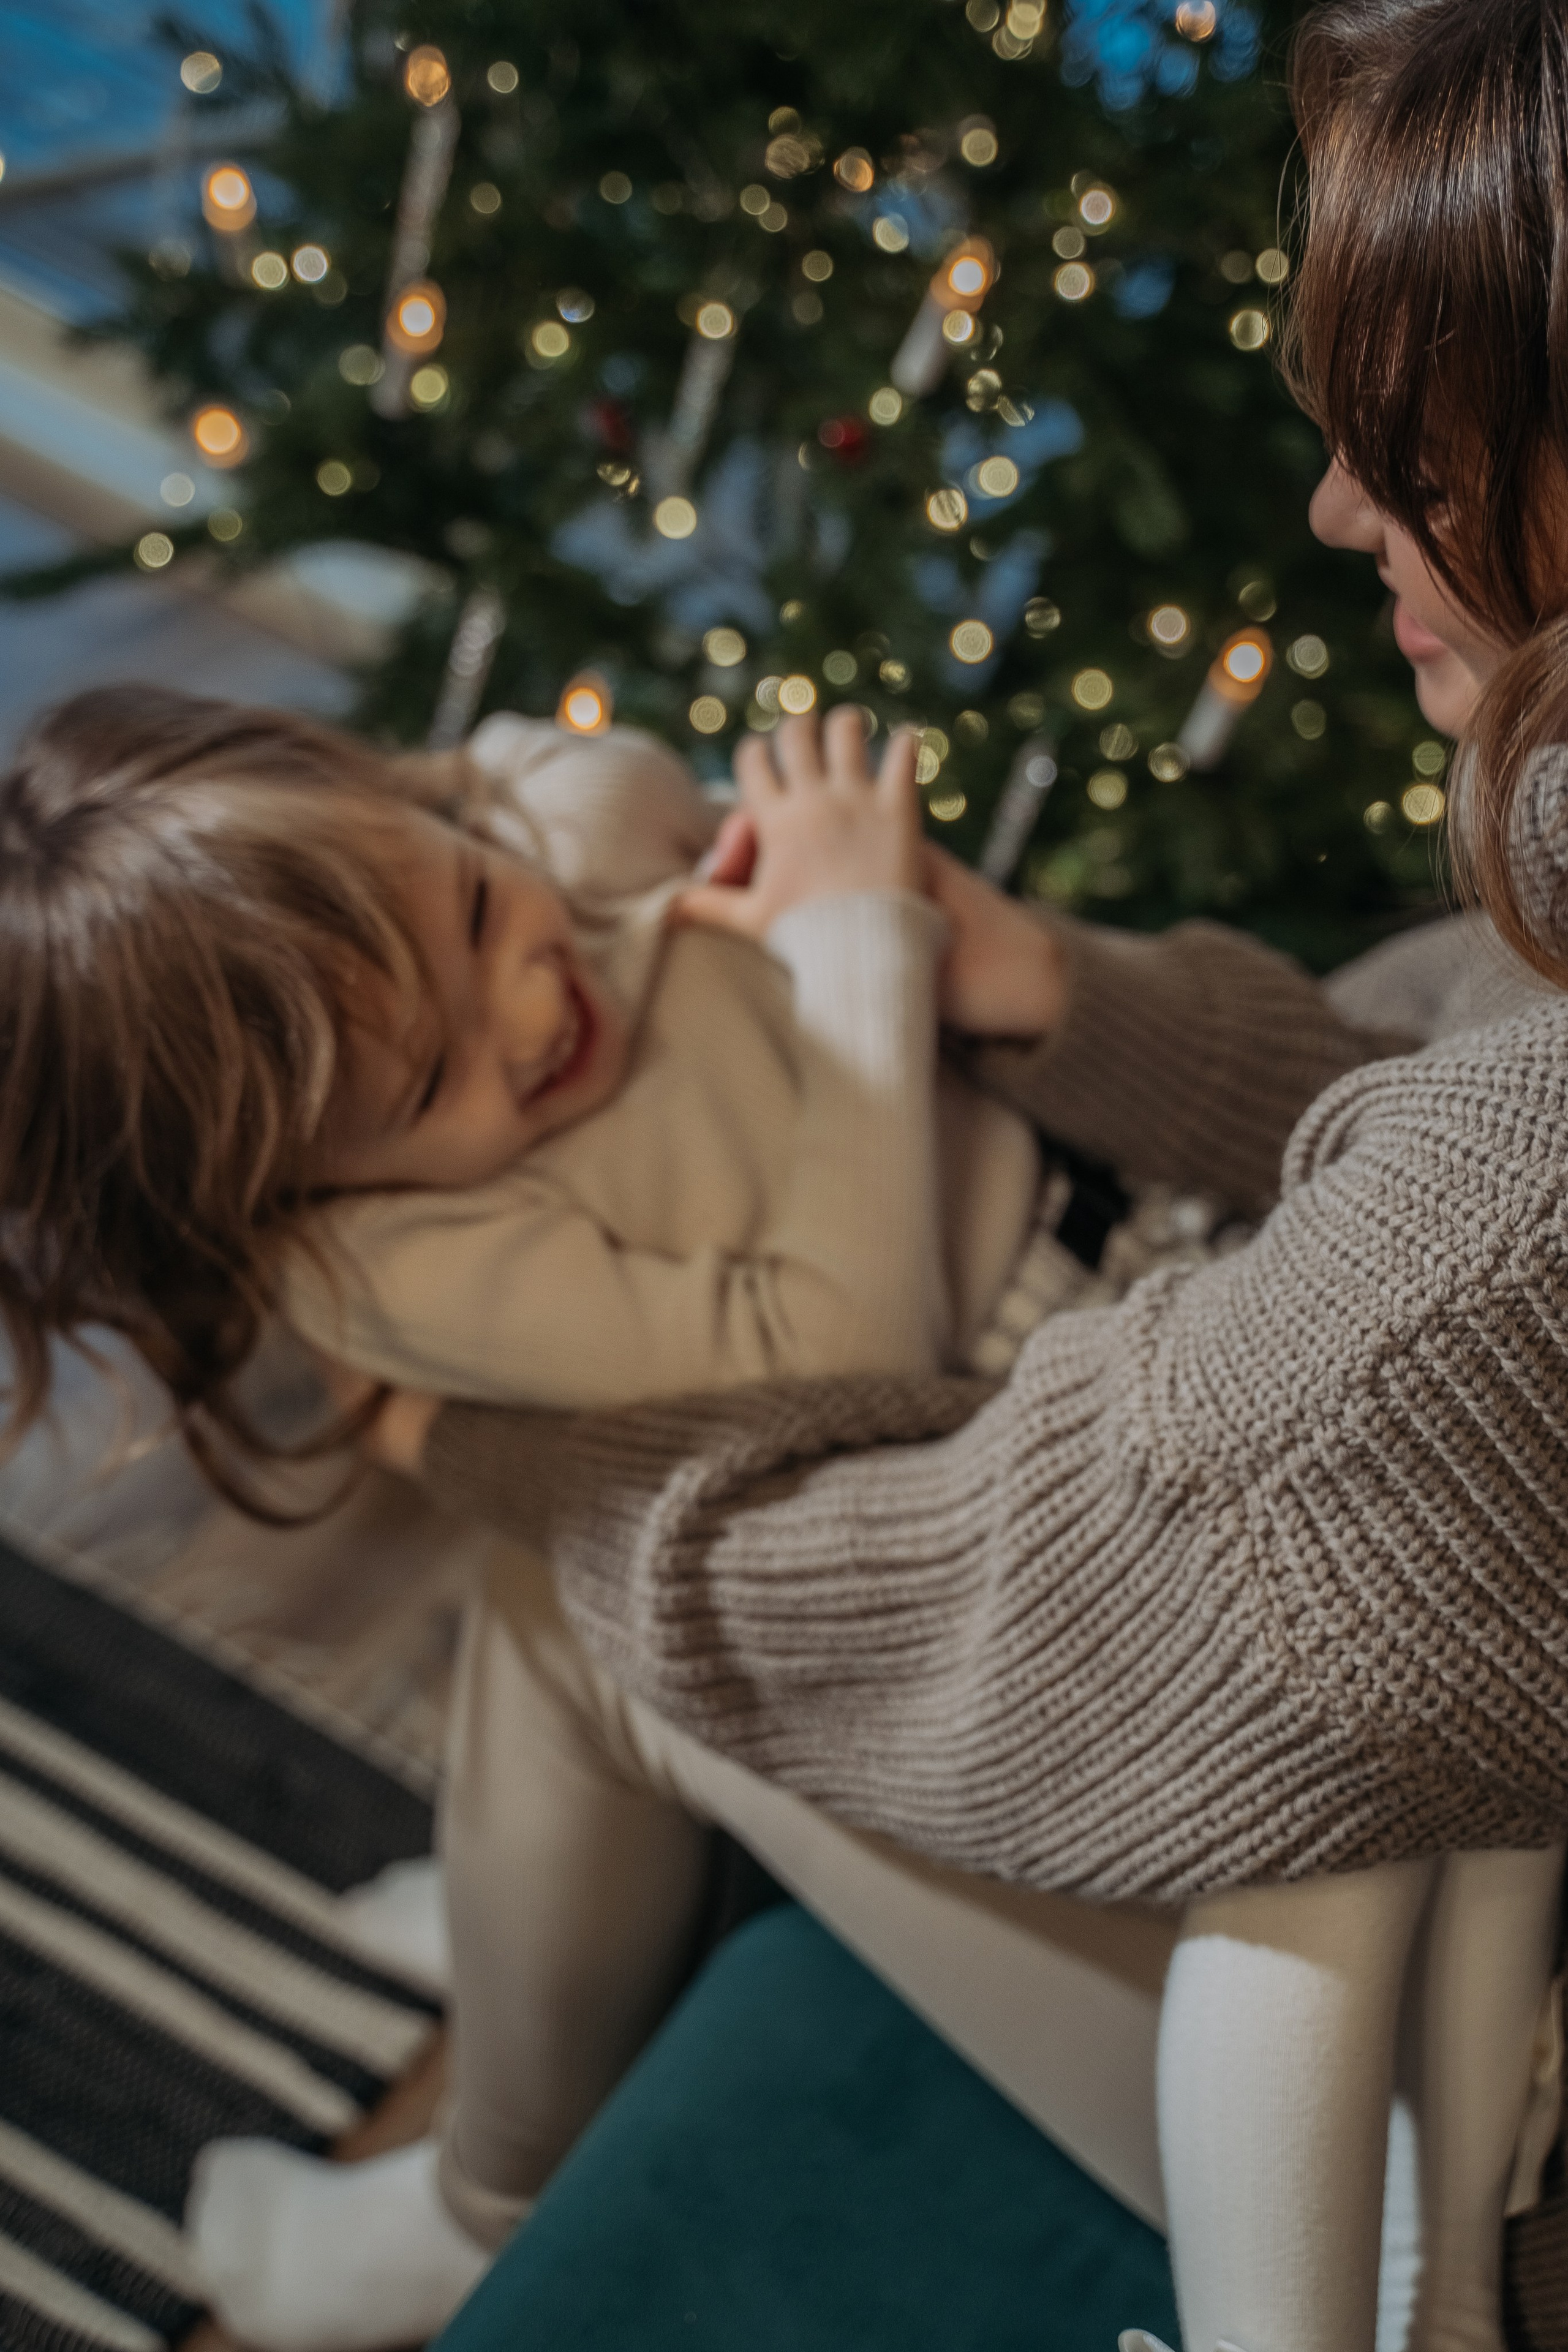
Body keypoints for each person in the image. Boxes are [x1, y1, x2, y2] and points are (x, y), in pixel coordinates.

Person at [344, 2, 1568, 2348]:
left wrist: (509, 1454)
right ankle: (497, 2024)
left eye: (1412, 450)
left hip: (1483, 2125)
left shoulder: (1494, 1244)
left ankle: (476, 2200)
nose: (1333, 509)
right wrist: (1058, 989)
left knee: (602, 1608)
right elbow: (1399, 1121)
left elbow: (1024, 1621)